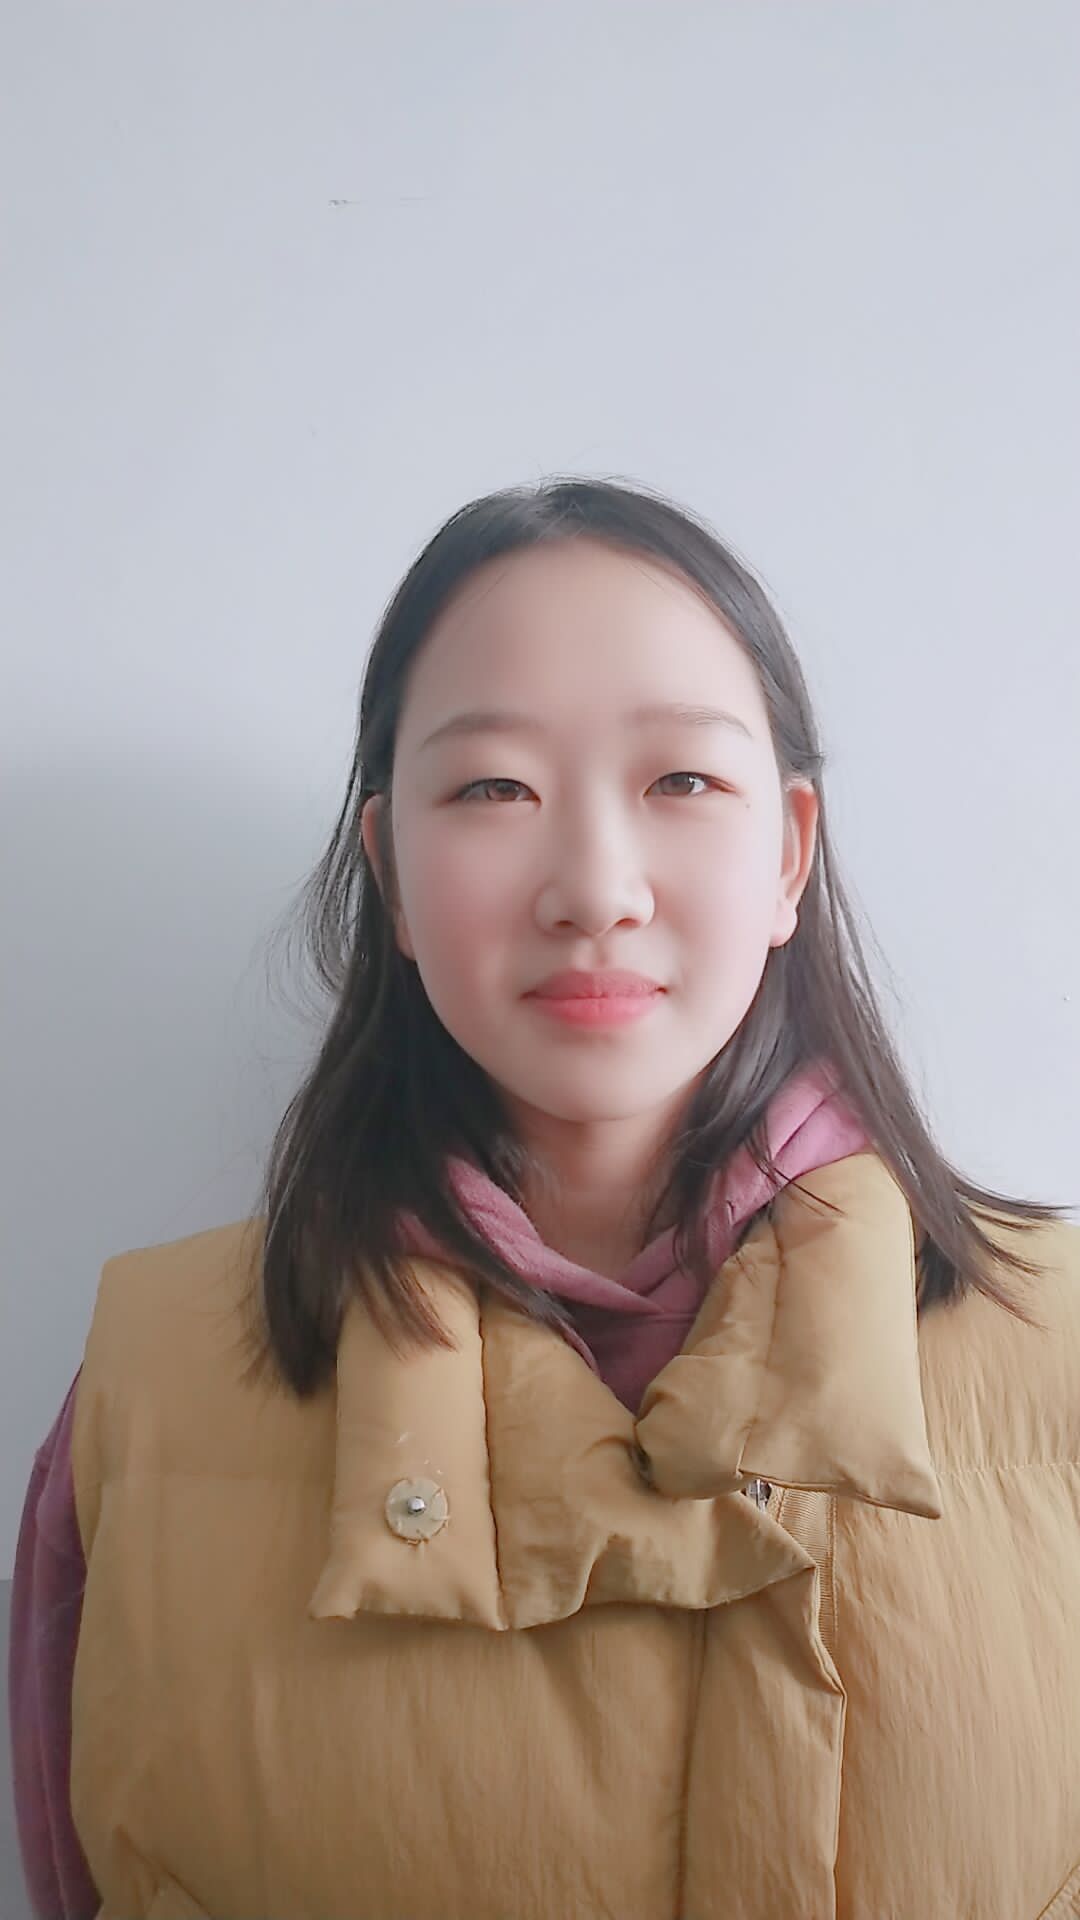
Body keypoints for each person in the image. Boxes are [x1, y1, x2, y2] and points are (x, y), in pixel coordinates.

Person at [9, 476, 1080, 1920]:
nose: (594, 887)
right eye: (493, 788)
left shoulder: (1060, 1350)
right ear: (392, 871)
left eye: (681, 782)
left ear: (789, 852)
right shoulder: (152, 1385)